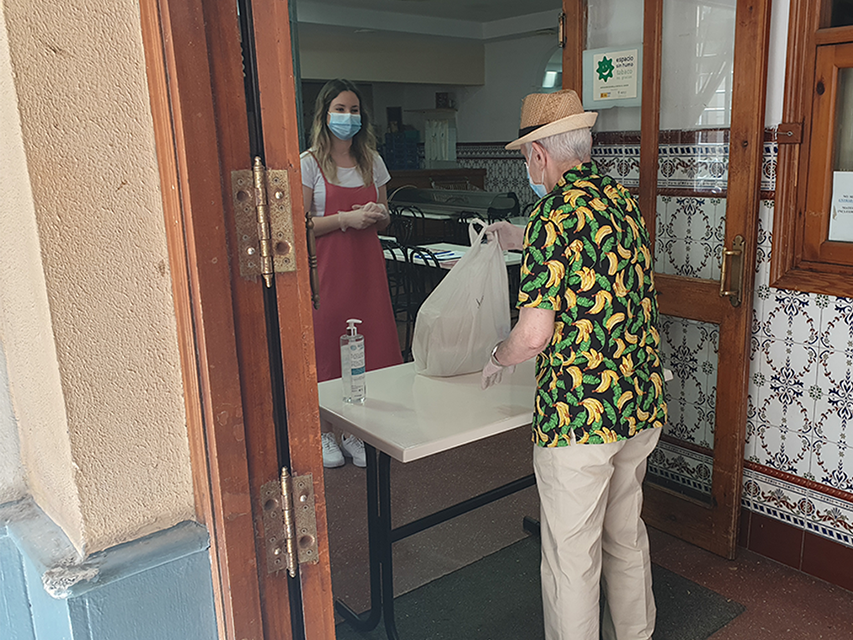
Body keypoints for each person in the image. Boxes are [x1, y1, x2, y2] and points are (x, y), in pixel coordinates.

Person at [482, 89, 667, 640]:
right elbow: (595, 260)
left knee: (572, 557)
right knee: (625, 535)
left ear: (540, 155)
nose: (528, 169)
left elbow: (534, 334)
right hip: (637, 403)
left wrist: (497, 357)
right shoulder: (621, 200)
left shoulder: (552, 215)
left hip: (579, 419)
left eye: (526, 158)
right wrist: (520, 237)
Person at [302, 79, 403, 468]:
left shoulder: (372, 161)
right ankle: (327, 431)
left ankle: (358, 431)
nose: (348, 117)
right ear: (325, 115)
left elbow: (385, 216)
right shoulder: (309, 162)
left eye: (354, 110)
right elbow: (301, 223)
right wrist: (345, 218)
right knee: (329, 346)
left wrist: (378, 216)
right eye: (340, 109)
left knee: (371, 345)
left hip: (367, 271)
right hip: (329, 270)